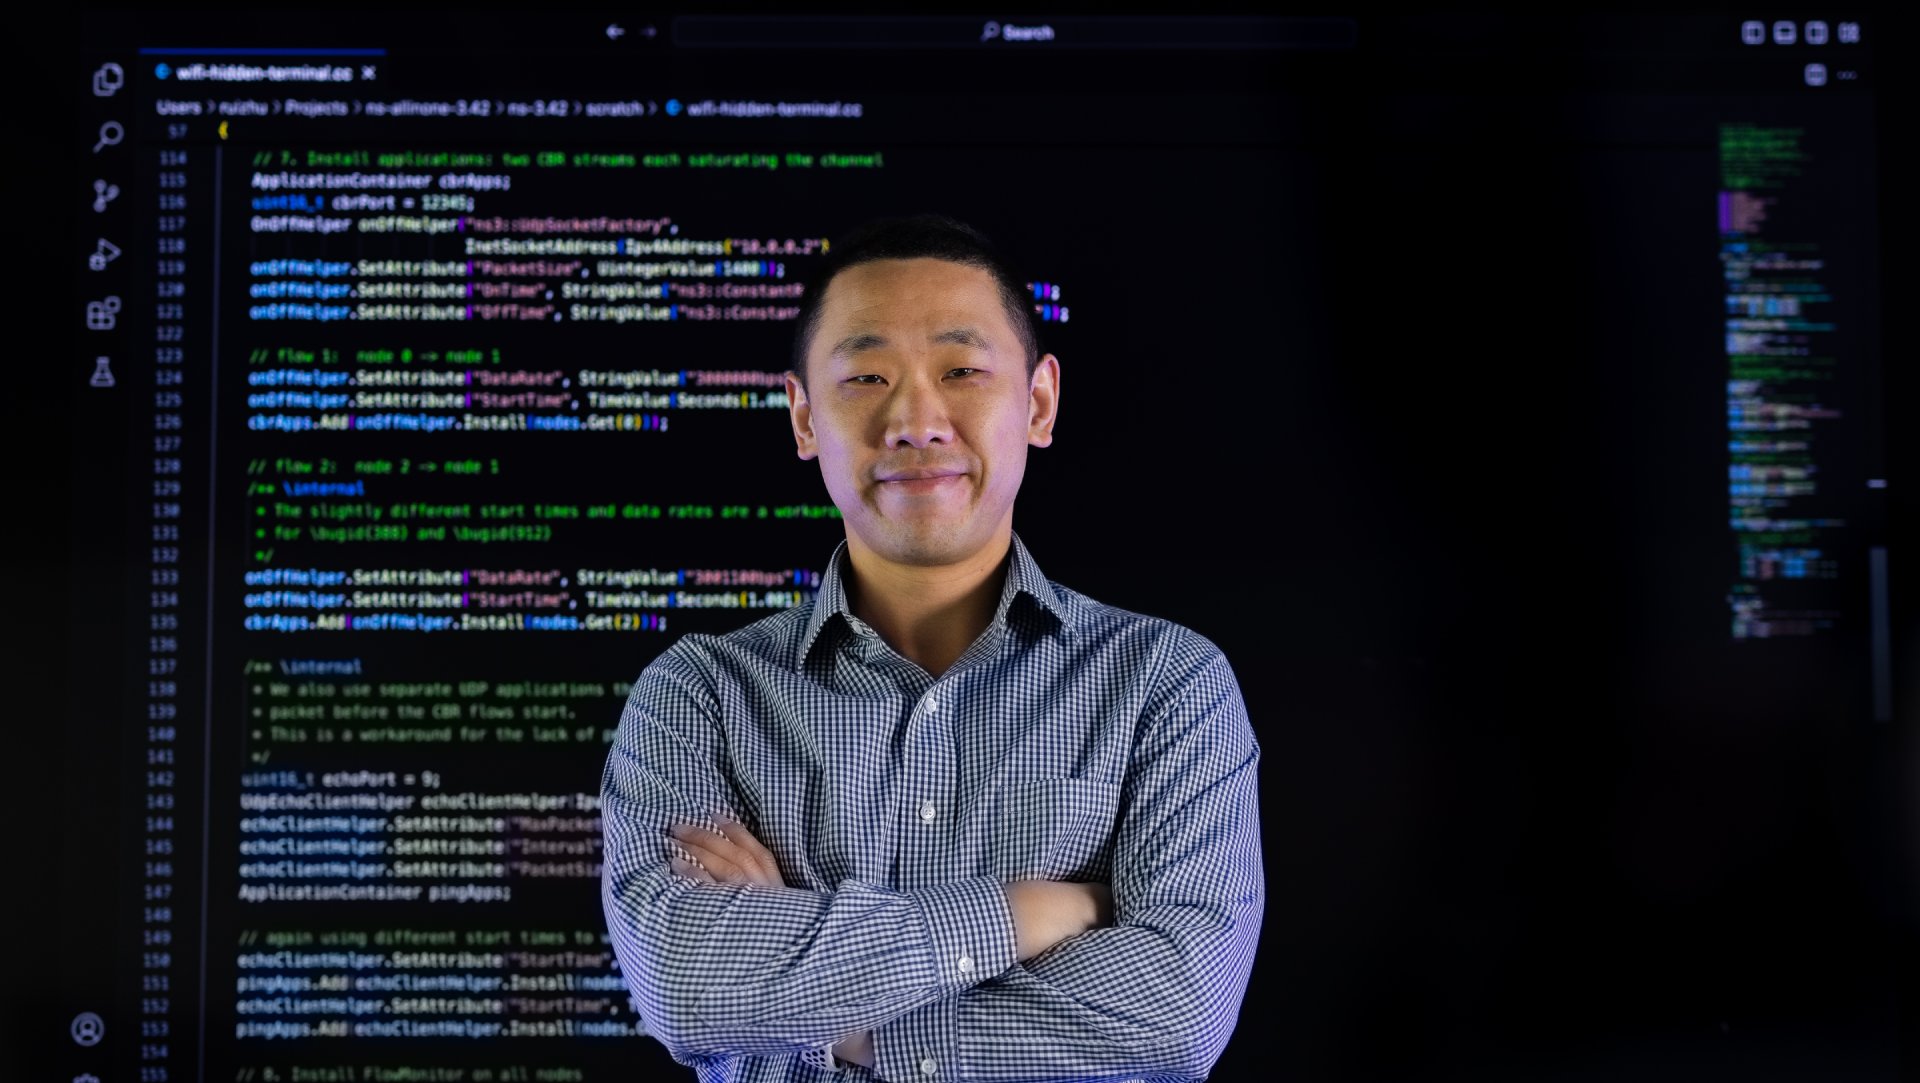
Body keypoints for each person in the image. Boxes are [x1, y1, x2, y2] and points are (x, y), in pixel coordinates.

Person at [601, 213, 1264, 1082]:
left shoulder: (1167, 685)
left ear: (1038, 402)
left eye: (961, 370)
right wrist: (1024, 914)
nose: (915, 419)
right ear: (803, 416)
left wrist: (828, 1015)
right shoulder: (699, 696)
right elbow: (689, 988)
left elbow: (1177, 1011)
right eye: (867, 375)